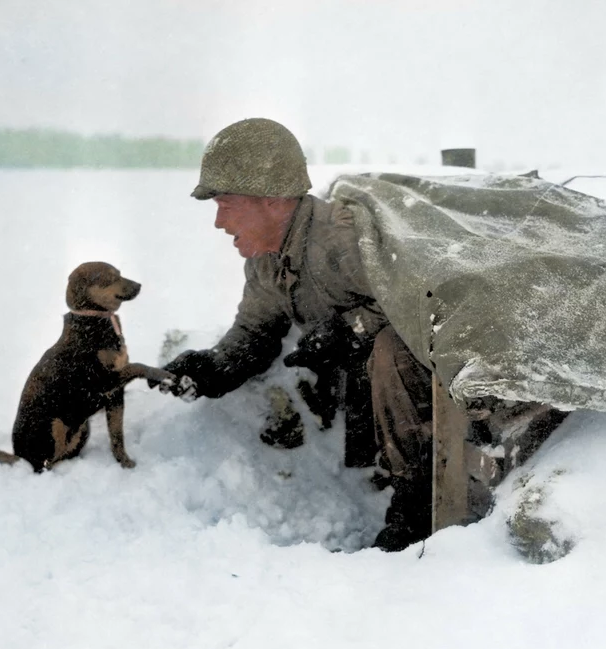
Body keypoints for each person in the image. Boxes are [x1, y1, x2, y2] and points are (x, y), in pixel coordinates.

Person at [157, 117, 435, 551]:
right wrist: (215, 367)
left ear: (273, 201)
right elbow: (257, 330)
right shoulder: (268, 260)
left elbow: (418, 303)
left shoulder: (344, 239)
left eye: (227, 205)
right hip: (369, 396)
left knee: (389, 348)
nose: (218, 223)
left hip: (425, 377)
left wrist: (349, 330)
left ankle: (419, 507)